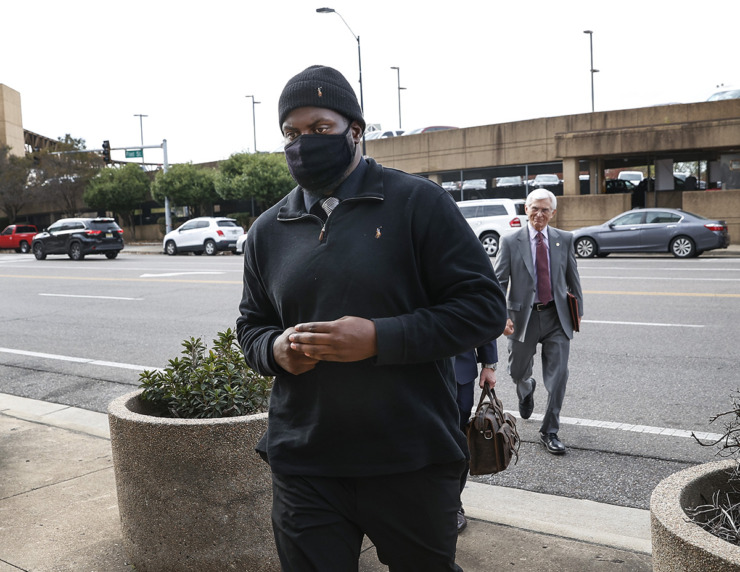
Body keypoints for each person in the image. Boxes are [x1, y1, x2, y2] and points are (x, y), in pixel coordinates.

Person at [236, 65, 507, 571]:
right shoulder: (268, 230)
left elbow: (484, 308)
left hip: (410, 458)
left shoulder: (417, 202)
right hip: (305, 460)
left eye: (319, 128)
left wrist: (380, 339)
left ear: (355, 131)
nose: (303, 142)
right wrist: (274, 351)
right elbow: (251, 325)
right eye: (291, 133)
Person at [493, 188, 583, 455]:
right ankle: (526, 389)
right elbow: (499, 282)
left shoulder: (564, 239)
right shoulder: (511, 241)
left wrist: (578, 311)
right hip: (523, 318)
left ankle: (550, 431)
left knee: (559, 378)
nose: (539, 214)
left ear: (553, 213)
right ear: (526, 210)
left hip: (557, 317)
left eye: (545, 209)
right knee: (517, 371)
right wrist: (502, 316)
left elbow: (573, 278)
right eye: (535, 208)